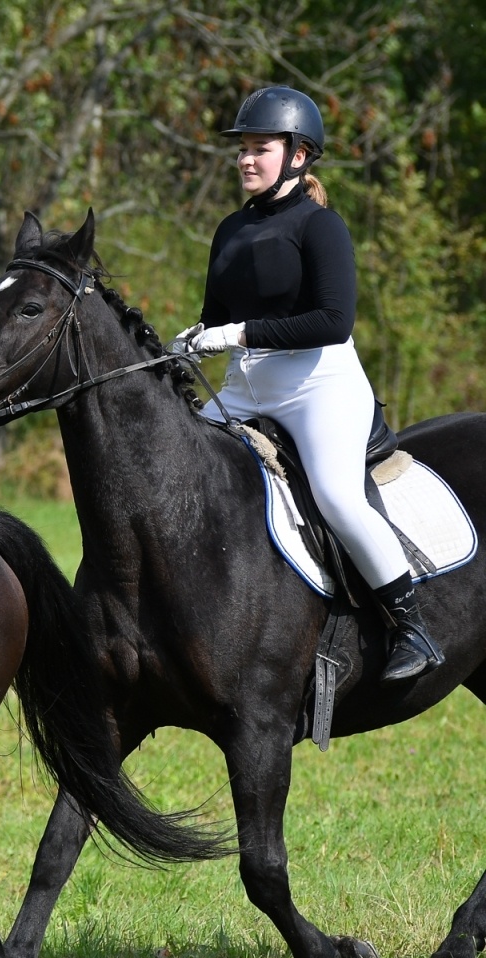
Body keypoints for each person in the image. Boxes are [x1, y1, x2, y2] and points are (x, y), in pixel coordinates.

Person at [176, 85, 443, 684]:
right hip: (245, 387)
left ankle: (410, 625)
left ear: (298, 155)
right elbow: (219, 317)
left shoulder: (321, 227)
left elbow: (333, 321)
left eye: (260, 148)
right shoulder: (229, 229)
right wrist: (194, 339)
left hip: (318, 387)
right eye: (242, 149)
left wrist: (238, 334)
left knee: (337, 497)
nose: (246, 159)